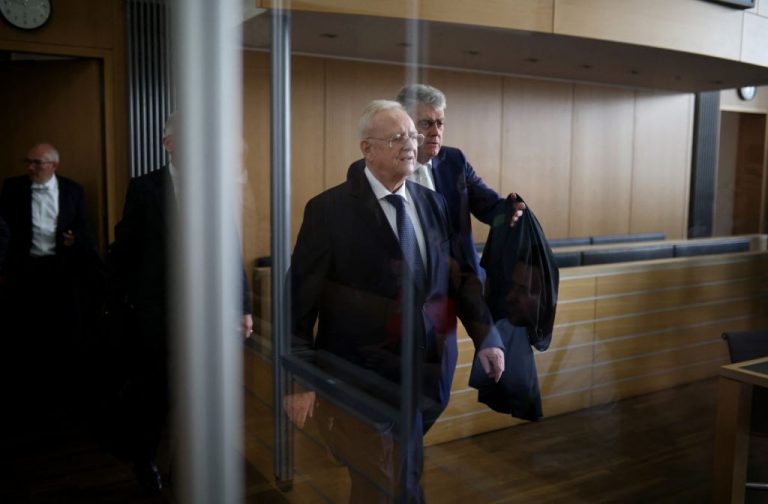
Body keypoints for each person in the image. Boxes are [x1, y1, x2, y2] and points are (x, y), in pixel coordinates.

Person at [286, 100, 505, 502]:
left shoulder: (433, 202)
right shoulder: (328, 211)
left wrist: (486, 336)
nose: (411, 144)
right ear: (367, 149)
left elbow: (459, 278)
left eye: (412, 136)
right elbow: (298, 302)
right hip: (361, 378)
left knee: (404, 476)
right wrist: (298, 380)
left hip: (424, 375)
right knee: (382, 483)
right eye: (397, 137)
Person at [109, 113, 254, 493]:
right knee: (155, 395)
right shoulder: (144, 188)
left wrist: (242, 304)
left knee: (199, 395)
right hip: (158, 313)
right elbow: (127, 247)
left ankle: (187, 469)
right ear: (168, 143)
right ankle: (145, 460)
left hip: (208, 313)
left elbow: (230, 246)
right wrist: (122, 304)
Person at [348, 84, 525, 284]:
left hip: (461, 279)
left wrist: (509, 212)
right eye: (426, 123)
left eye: (440, 123)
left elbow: (489, 206)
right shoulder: (368, 170)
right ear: (404, 124)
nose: (435, 131)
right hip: (405, 281)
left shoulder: (455, 161)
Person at [0, 142, 101, 433]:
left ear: (54, 165)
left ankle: (64, 405)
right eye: (28, 162)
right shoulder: (12, 188)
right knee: (25, 336)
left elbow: (83, 230)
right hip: (25, 272)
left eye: (37, 163)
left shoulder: (73, 190)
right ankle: (28, 405)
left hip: (61, 273)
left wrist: (75, 243)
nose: (30, 168)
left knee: (63, 334)